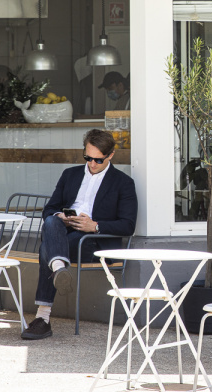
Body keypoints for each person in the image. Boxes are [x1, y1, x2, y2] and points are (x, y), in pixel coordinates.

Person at [21, 128, 137, 340]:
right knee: (51, 221)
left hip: (93, 241)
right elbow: (49, 210)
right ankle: (59, 268)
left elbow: (128, 225)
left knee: (48, 249)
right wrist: (62, 216)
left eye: (98, 160)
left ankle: (43, 318)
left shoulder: (123, 183)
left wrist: (95, 226)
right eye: (88, 158)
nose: (92, 164)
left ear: (110, 155)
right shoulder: (70, 174)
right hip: (64, 233)